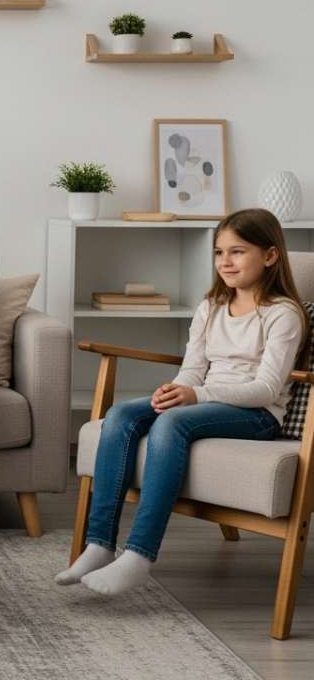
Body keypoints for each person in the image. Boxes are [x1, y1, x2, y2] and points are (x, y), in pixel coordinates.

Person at [57, 208, 306, 594]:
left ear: (270, 255)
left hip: (256, 414)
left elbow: (266, 389)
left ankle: (140, 554)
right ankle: (100, 544)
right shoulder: (211, 307)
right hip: (205, 400)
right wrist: (175, 390)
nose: (225, 261)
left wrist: (196, 396)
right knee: (122, 413)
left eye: (238, 251)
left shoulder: (282, 314)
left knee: (172, 422)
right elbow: (192, 369)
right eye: (219, 252)